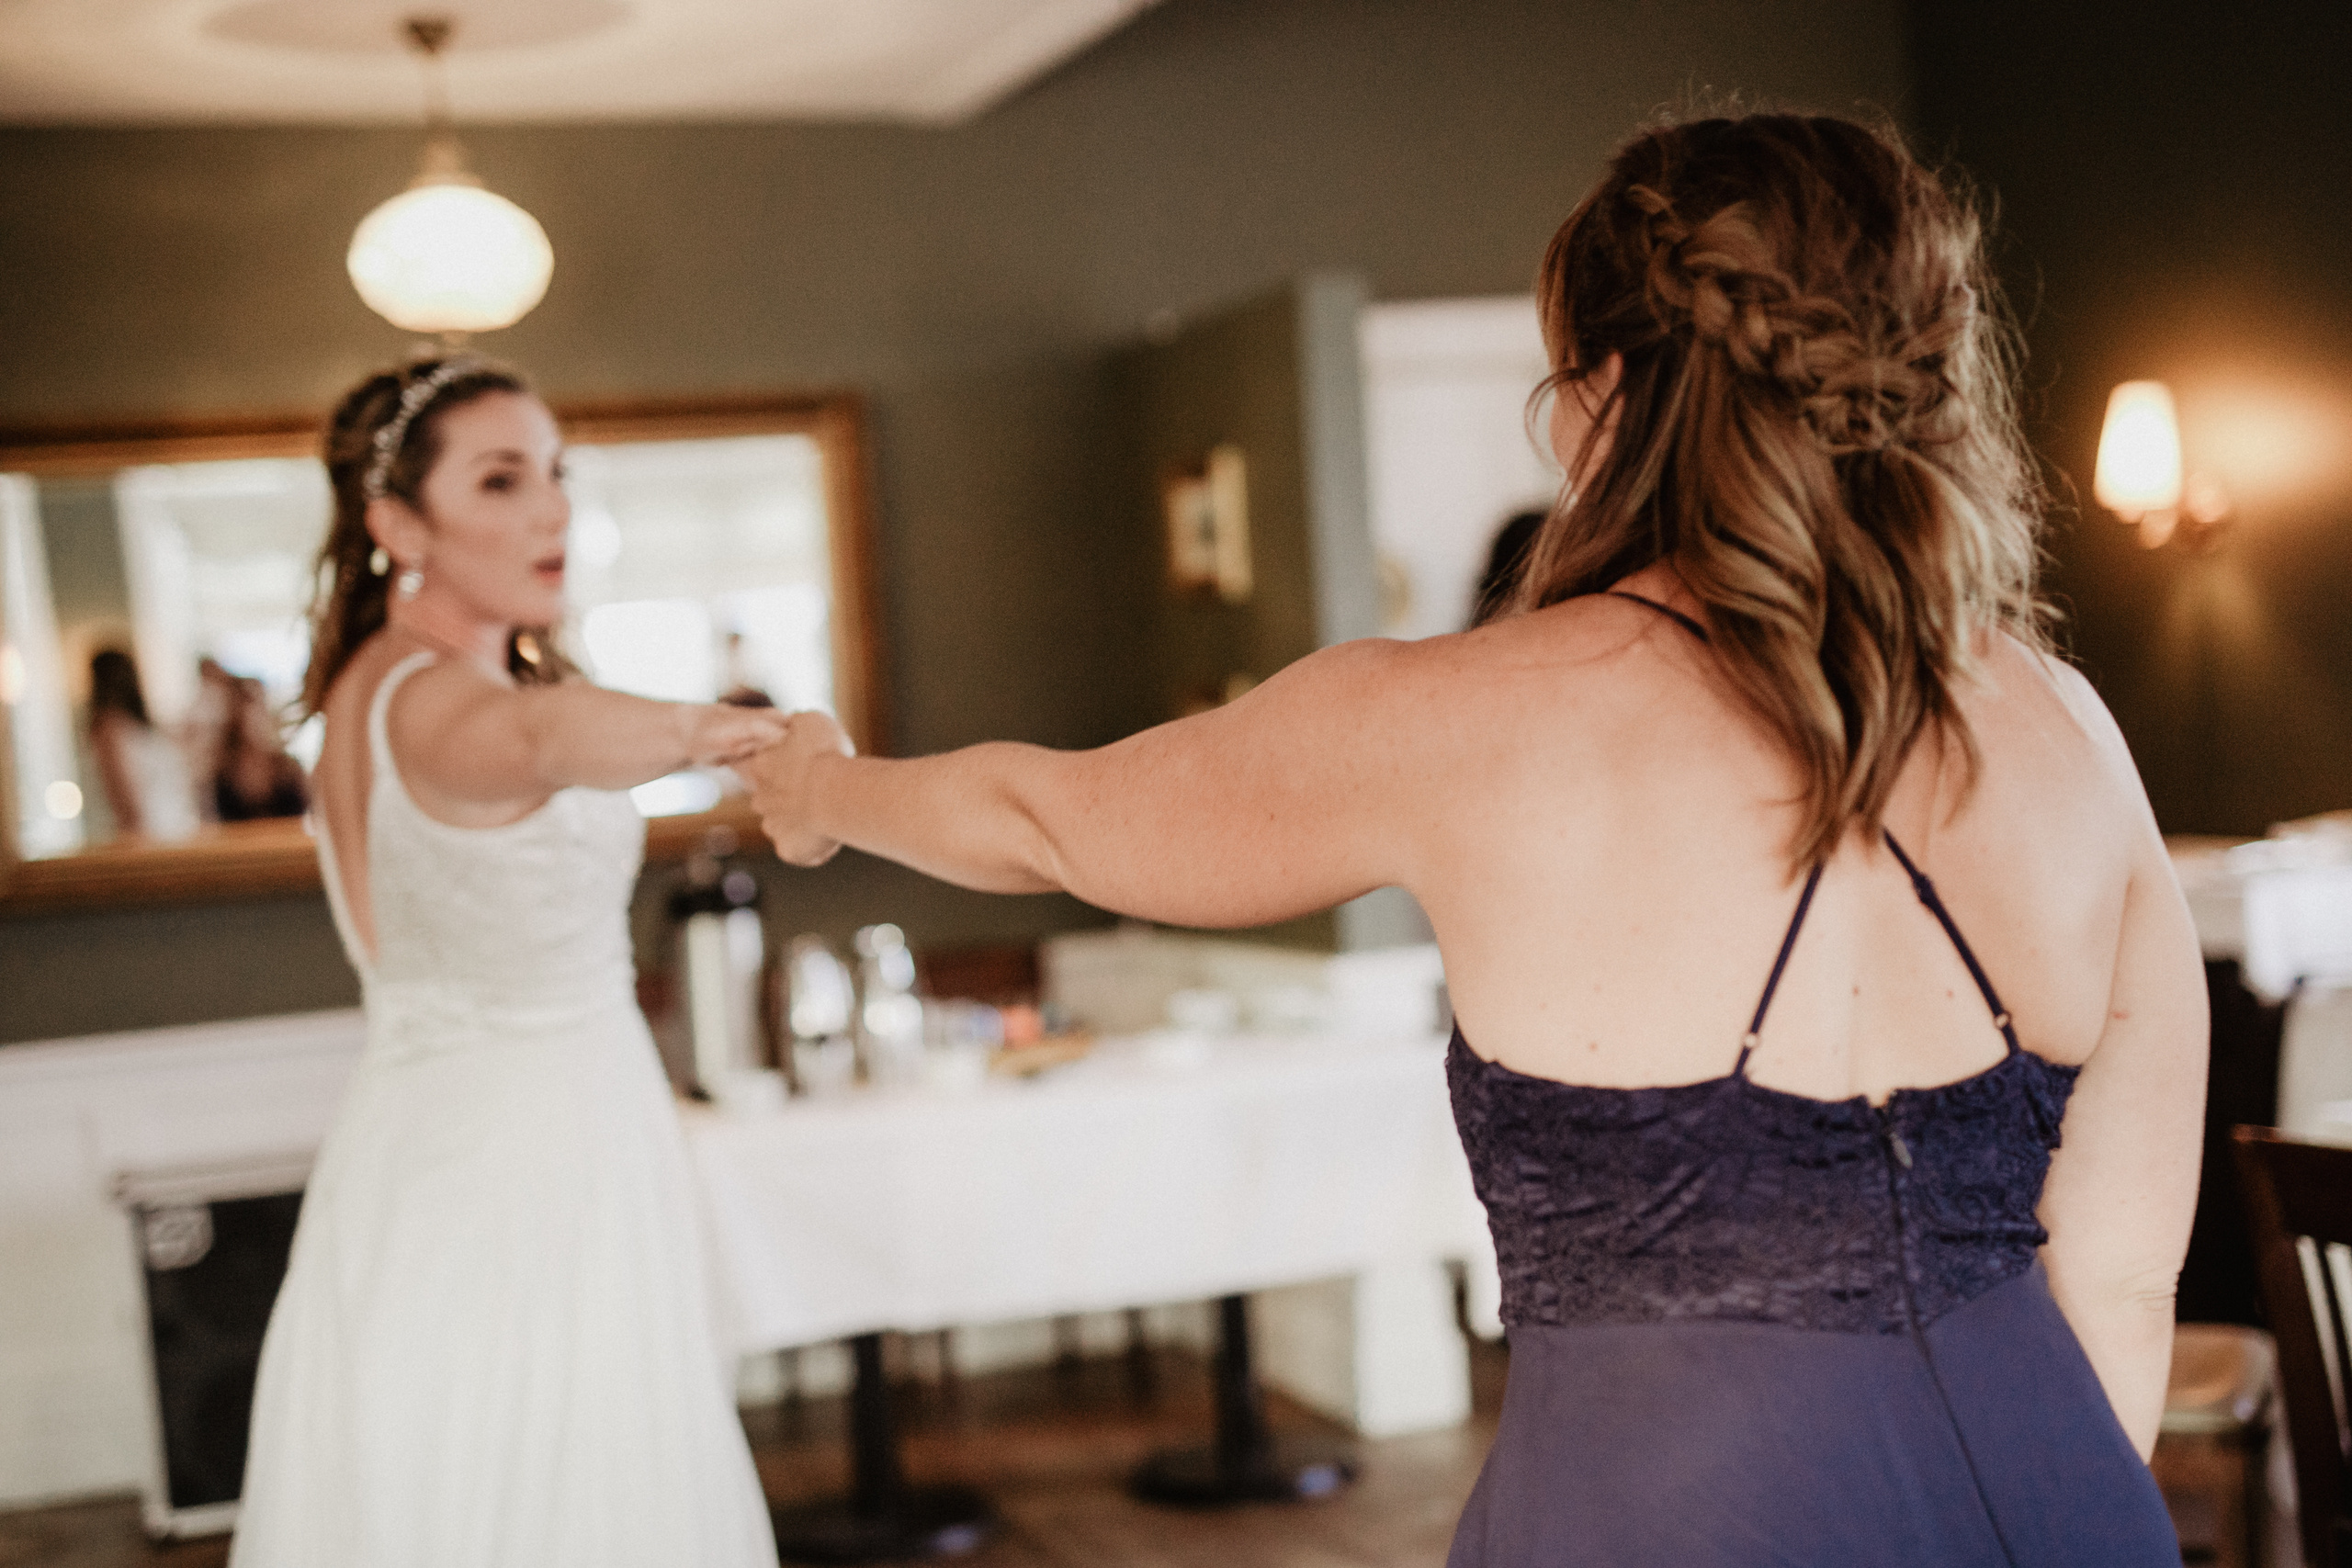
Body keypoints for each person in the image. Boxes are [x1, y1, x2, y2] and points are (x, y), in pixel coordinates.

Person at [745, 112, 2200, 1566]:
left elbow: (1041, 817)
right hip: (2057, 1490)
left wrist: (827, 790)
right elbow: (2126, 1275)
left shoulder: (1462, 714)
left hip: (1669, 1512)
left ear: (1612, 395)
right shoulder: (2067, 727)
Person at [231, 357, 786, 1568]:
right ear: (396, 524)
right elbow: (541, 737)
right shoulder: (439, 703)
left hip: (458, 1138)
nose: (552, 510)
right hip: (520, 1172)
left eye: (556, 472)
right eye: (501, 478)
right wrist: (728, 731)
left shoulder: (369, 685)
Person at [85, 646, 202, 840]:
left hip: (176, 830)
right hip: (149, 837)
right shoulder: (109, 730)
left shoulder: (141, 726)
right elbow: (128, 803)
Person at [211, 674, 309, 821]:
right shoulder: (222, 772)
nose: (255, 715)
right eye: (248, 705)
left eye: (261, 704)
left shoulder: (289, 767)